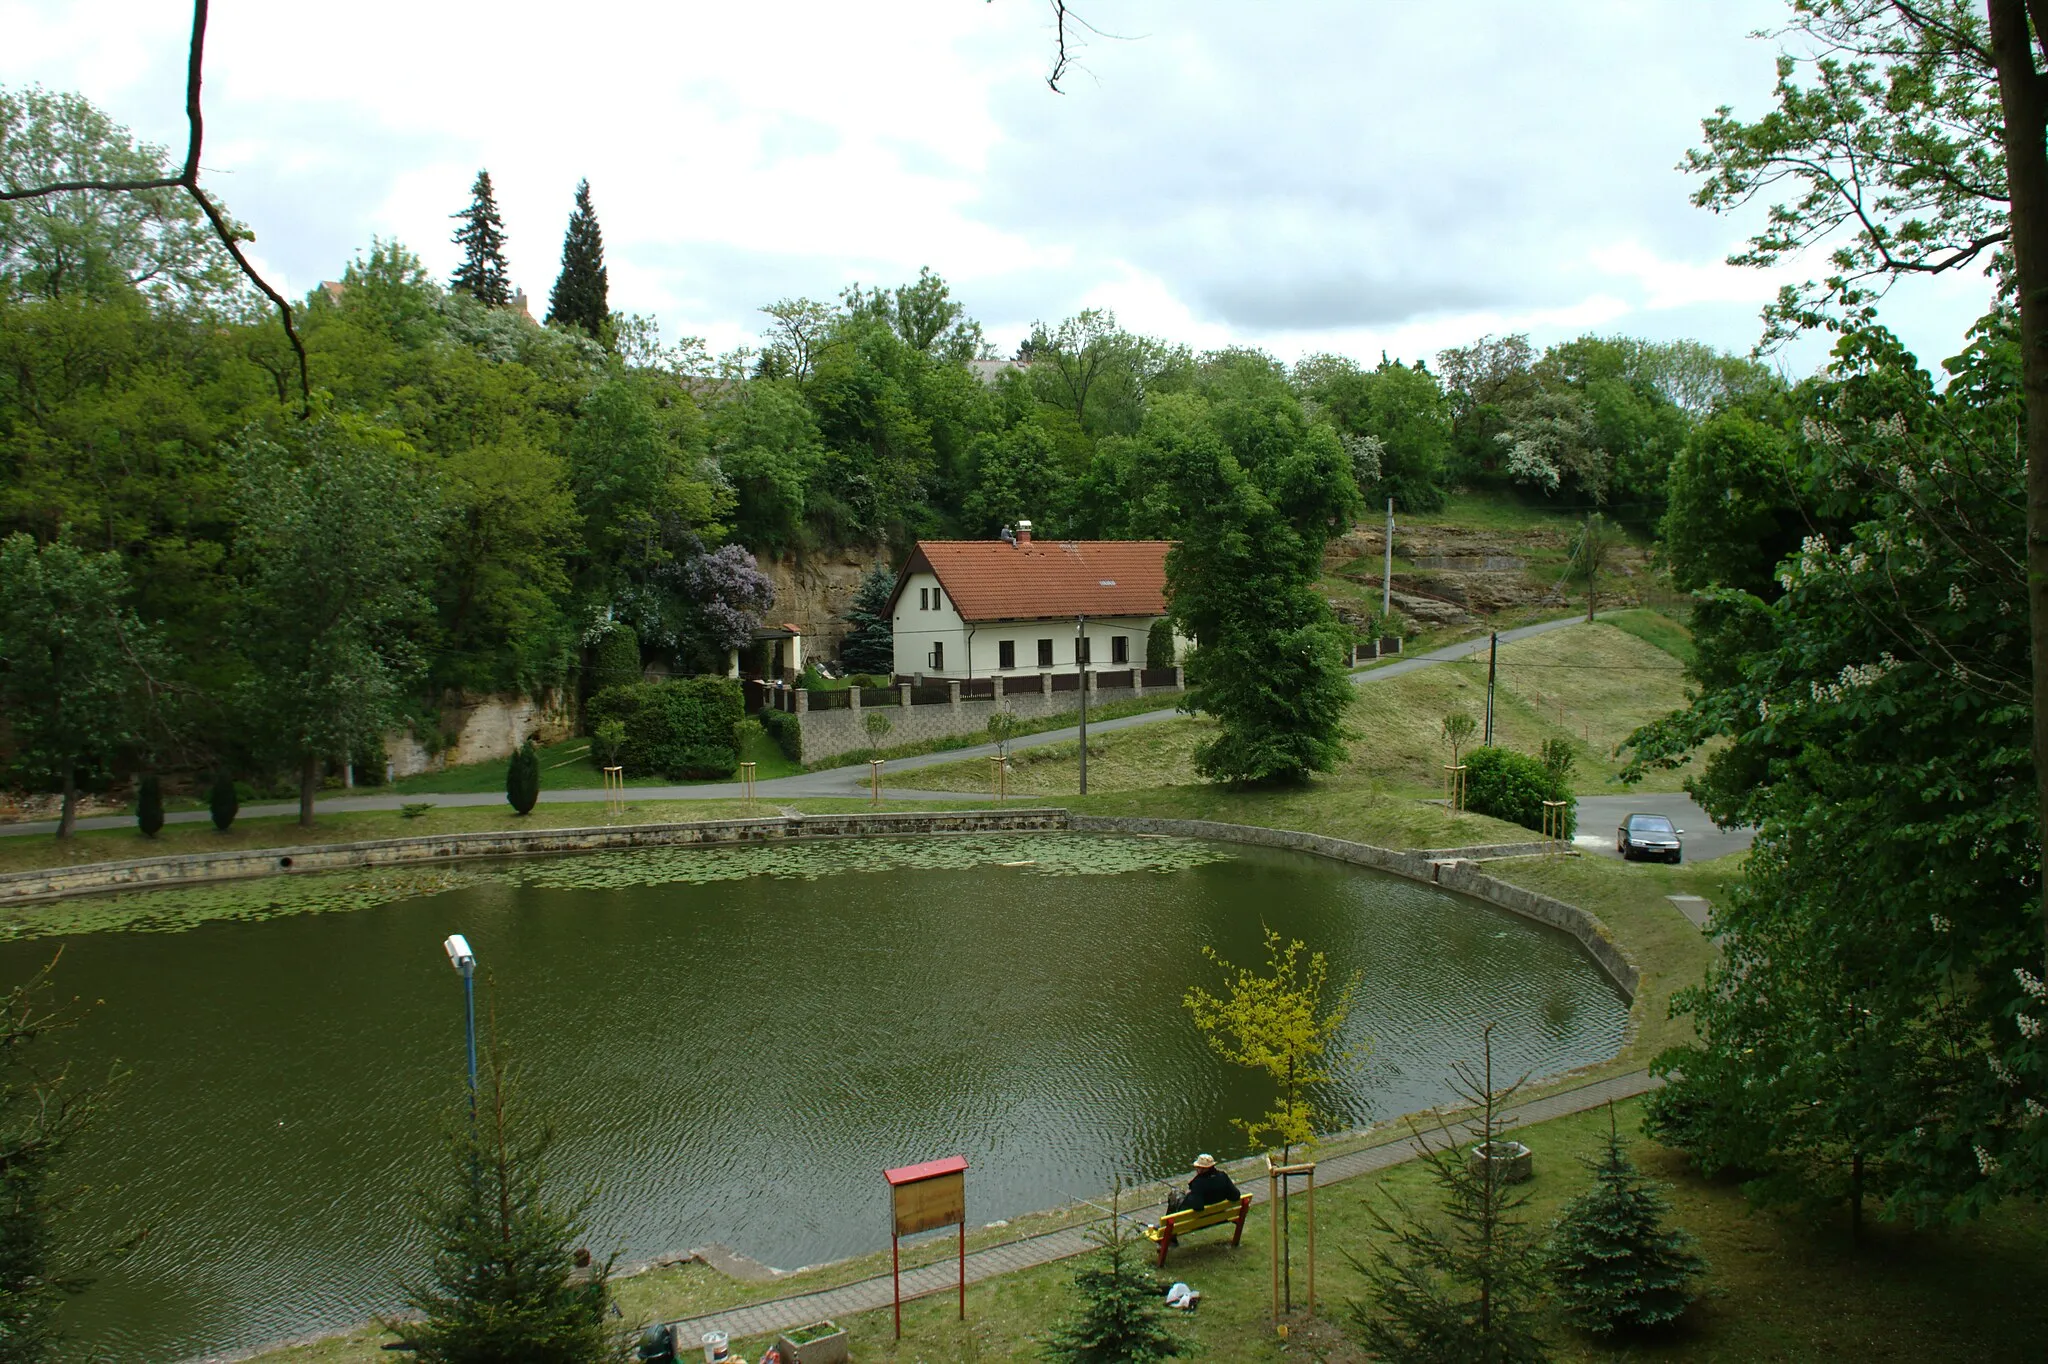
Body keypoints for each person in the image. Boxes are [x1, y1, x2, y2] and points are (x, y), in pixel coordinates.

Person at [1168, 1153, 1240, 1215]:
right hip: (1220, 1216)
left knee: (1174, 1195)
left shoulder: (1198, 1183)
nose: (1196, 1169)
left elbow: (1198, 1207)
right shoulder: (1223, 1176)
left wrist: (1189, 1195)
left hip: (1202, 1220)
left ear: (1203, 1169)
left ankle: (1166, 1224)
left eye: (1198, 1167)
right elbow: (1235, 1196)